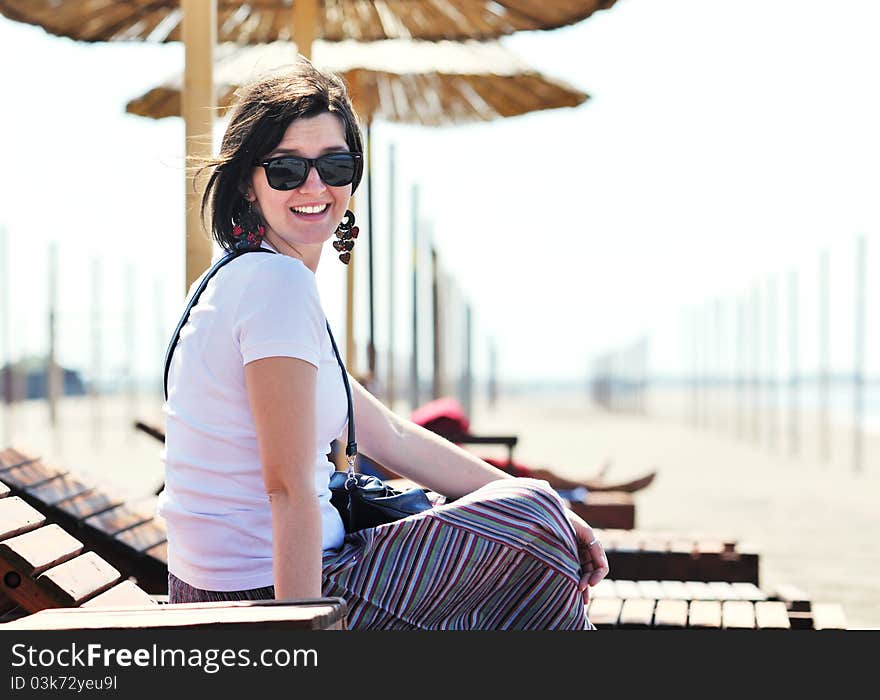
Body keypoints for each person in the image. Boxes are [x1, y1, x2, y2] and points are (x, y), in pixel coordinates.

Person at [158, 58, 608, 630]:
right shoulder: (276, 285)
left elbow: (388, 434)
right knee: (534, 530)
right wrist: (298, 643)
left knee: (535, 509)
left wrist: (543, 498)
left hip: (240, 585)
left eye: (335, 165)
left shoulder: (242, 278)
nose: (315, 186)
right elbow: (289, 488)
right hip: (274, 594)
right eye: (287, 170)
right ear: (249, 181)